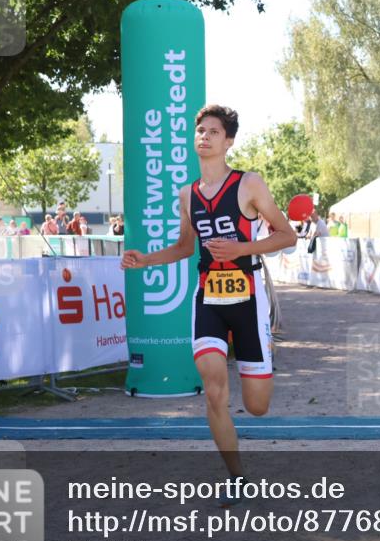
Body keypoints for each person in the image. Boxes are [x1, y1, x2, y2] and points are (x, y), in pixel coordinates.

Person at [121, 104, 296, 500]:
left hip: (249, 297)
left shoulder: (250, 184)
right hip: (208, 299)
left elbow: (287, 235)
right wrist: (145, 259)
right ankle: (237, 479)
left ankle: (262, 350)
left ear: (228, 141)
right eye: (200, 130)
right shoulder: (187, 195)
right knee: (214, 387)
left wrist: (241, 248)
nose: (204, 136)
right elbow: (186, 247)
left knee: (257, 407)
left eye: (213, 132)